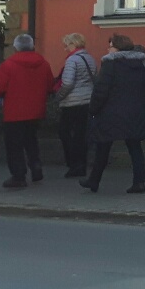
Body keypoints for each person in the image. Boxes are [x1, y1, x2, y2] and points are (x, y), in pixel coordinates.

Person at [83, 34, 145, 194]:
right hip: (135, 111)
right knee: (135, 147)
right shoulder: (139, 65)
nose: (108, 49)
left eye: (110, 46)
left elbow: (101, 90)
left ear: (117, 48)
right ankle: (139, 182)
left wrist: (93, 109)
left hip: (111, 113)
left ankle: (94, 180)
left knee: (103, 146)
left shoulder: (110, 65)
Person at [0, 34, 58, 188]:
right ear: (32, 46)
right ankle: (36, 168)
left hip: (14, 111)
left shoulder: (8, 65)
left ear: (15, 48)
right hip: (36, 110)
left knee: (14, 145)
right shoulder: (43, 63)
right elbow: (50, 86)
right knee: (31, 140)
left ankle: (18, 176)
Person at [54, 33, 97, 179]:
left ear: (73, 44)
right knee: (81, 135)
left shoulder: (72, 60)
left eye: (66, 45)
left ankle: (74, 165)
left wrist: (58, 96)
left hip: (72, 102)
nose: (65, 48)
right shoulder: (89, 58)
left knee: (65, 133)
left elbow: (67, 83)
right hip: (88, 100)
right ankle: (82, 165)